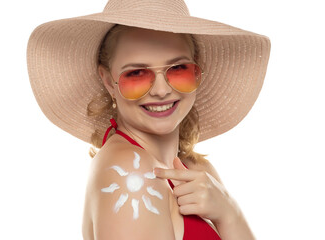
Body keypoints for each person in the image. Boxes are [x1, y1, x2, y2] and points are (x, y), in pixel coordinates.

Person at [26, 0, 271, 239]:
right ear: (108, 81)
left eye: (178, 68)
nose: (161, 90)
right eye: (136, 74)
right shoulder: (128, 170)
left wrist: (230, 214)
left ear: (198, 70)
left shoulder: (197, 172)